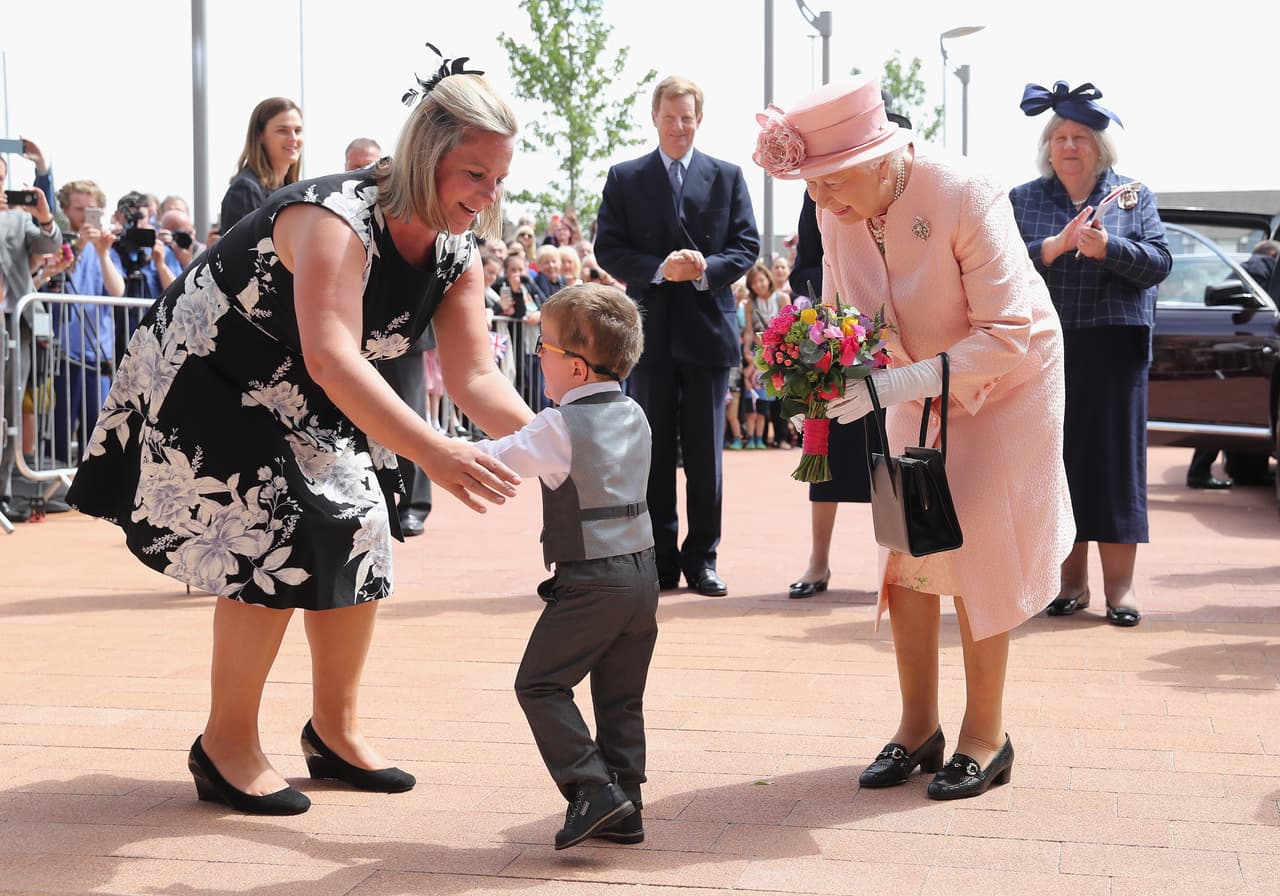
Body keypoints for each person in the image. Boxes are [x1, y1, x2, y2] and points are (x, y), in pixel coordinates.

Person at [66, 61, 534, 815]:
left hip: (301, 387)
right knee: (271, 534)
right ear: (424, 155)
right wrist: (436, 452)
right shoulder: (336, 218)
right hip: (213, 371)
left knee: (362, 525)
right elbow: (333, 355)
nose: (487, 197)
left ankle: (335, 731)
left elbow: (477, 377)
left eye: (498, 180)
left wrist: (568, 436)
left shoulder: (456, 252)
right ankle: (224, 746)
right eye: (474, 174)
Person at [753, 75, 1073, 799]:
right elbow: (846, 316)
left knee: (982, 543)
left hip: (1007, 383)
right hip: (906, 379)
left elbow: (1008, 332)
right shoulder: (837, 210)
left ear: (880, 156)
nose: (819, 201)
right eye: (810, 185)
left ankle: (986, 736)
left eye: (830, 182)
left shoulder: (965, 190)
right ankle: (917, 727)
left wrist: (893, 385)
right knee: (909, 547)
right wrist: (826, 370)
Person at [473, 282, 655, 850]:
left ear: (574, 369)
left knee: (541, 683)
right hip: (643, 574)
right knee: (619, 696)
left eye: (543, 348)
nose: (537, 357)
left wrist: (426, 445)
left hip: (592, 580)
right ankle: (626, 806)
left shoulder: (557, 428)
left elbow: (493, 459)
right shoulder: (633, 411)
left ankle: (591, 787)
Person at [1010, 80, 1171, 628]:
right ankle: (1070, 584)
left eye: (1080, 137)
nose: (1070, 147)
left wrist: (1109, 249)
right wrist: (1051, 249)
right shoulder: (1024, 199)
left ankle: (1119, 591)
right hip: (1047, 348)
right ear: (1048, 148)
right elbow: (999, 271)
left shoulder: (1133, 195)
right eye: (1060, 137)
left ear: (1100, 149)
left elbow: (1159, 262)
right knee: (1059, 465)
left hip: (1115, 347)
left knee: (1115, 467)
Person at [595, 75, 760, 597]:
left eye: (687, 117)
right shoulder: (625, 177)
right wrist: (661, 269)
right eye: (670, 117)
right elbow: (609, 250)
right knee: (654, 451)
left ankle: (703, 558)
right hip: (649, 337)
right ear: (655, 117)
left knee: (708, 456)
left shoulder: (728, 176)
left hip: (709, 334)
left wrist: (705, 268)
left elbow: (747, 245)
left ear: (699, 119)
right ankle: (661, 559)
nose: (679, 126)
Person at [1184, 238, 1280, 489]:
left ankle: (1204, 470)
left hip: (1230, 344)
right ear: (1272, 255)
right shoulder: (1261, 266)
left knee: (1222, 409)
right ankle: (1199, 472)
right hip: (1242, 347)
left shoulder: (1249, 269)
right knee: (1224, 408)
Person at [0, 153, 62, 524]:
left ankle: (3, 491)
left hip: (13, 323)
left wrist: (44, 215)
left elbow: (48, 246)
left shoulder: (17, 218)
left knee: (9, 409)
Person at [219, 97, 303, 233]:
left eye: (297, 130)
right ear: (260, 135)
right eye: (282, 130)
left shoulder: (294, 190)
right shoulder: (245, 190)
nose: (293, 138)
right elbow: (241, 252)